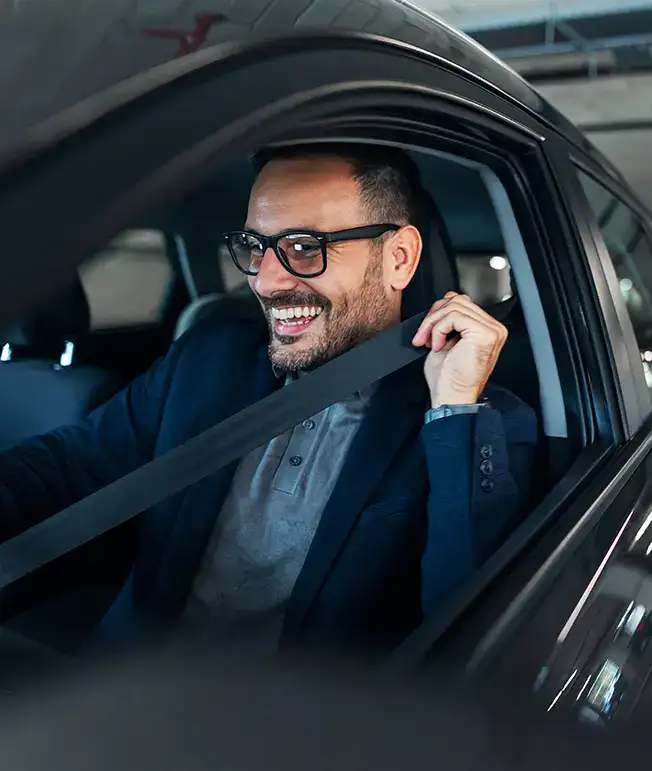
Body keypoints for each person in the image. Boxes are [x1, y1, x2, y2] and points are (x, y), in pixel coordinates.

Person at [0, 144, 538, 657]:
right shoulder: (205, 360)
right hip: (121, 693)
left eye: (305, 247)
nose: (265, 280)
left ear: (399, 258)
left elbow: (469, 625)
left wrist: (453, 410)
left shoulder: (472, 421)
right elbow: (70, 465)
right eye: (255, 247)